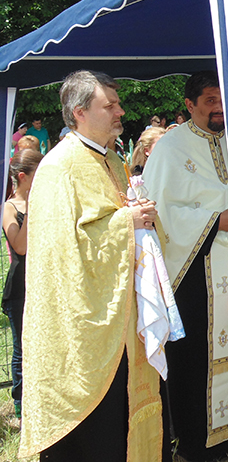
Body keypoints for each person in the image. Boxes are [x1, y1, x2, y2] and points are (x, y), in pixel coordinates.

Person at [19, 70, 165, 462]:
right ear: (80, 112)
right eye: (110, 105)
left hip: (119, 308)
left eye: (117, 103)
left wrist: (136, 215)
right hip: (81, 322)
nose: (120, 111)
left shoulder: (112, 160)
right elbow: (61, 251)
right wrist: (127, 221)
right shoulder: (58, 167)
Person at [144, 71, 228, 461]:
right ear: (190, 105)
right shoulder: (170, 149)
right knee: (196, 359)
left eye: (222, 100)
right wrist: (214, 221)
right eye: (210, 101)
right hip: (194, 272)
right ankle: (198, 442)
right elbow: (160, 213)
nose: (219, 109)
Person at [2, 149, 43, 421]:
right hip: (20, 287)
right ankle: (20, 404)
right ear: (22, 177)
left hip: (42, 281)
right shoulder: (9, 208)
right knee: (21, 347)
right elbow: (20, 245)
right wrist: (30, 207)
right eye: (36, 175)